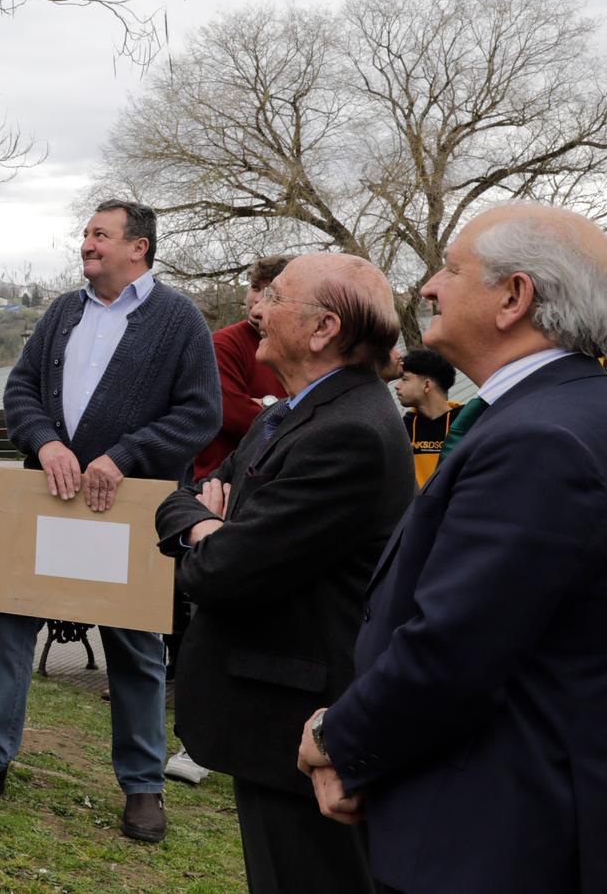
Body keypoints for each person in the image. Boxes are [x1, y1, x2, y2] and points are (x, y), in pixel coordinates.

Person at [297, 204, 607, 894]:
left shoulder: (541, 440)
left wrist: (336, 737)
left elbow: (456, 648)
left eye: (451, 268)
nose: (427, 286)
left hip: (495, 838)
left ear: (513, 297)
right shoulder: (559, 412)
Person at [0, 200, 221, 845]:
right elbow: (21, 389)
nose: (86, 244)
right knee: (9, 623)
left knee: (136, 645)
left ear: (138, 247)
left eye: (100, 234)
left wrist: (123, 455)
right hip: (50, 494)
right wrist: (46, 443)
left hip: (130, 507)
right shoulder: (64, 311)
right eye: (86, 233)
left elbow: (200, 414)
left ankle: (143, 787)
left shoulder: (178, 321)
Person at [156, 253, 411, 892]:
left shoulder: (348, 430)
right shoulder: (286, 414)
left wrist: (212, 531)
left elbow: (220, 572)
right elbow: (186, 493)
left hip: (294, 725)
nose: (258, 310)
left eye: (275, 297)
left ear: (323, 327)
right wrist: (205, 522)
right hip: (268, 714)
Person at [168, 252, 290, 784]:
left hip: (274, 486)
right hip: (220, 483)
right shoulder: (228, 344)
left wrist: (272, 408)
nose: (253, 302)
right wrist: (274, 408)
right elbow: (230, 412)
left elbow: (291, 412)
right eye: (258, 292)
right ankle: (197, 739)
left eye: (266, 294)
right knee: (207, 603)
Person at [192, 255, 291, 482]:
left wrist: (267, 404)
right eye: (255, 287)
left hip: (278, 480)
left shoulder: (299, 347)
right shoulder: (222, 344)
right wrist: (285, 410)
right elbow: (239, 418)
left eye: (269, 292)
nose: (257, 299)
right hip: (221, 483)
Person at [392, 345, 459, 487]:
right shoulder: (403, 428)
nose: (397, 386)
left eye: (405, 379)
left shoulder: (466, 422)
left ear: (427, 385)